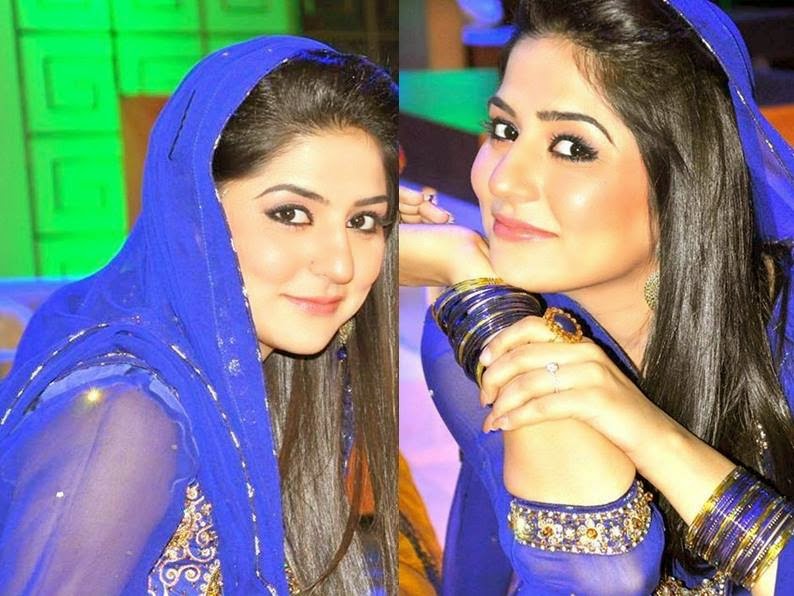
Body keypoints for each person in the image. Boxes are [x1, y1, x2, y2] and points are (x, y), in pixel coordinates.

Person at [400, 0, 794, 593]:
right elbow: (601, 578)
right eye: (505, 130)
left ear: (683, 181)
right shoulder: (489, 331)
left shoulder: (782, 325)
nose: (503, 180)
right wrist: (464, 269)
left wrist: (648, 431)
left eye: (571, 147)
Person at [0, 36, 398, 595]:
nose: (339, 264)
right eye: (291, 214)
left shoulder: (270, 378)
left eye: (363, 222)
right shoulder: (126, 421)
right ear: (195, 216)